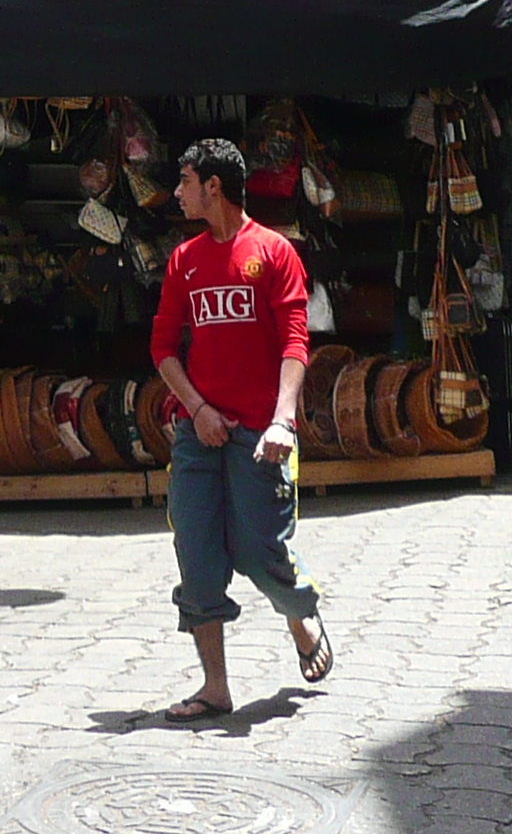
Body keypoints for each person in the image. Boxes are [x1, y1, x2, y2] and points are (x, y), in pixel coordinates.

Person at [150, 136, 331, 721]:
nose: (177, 193)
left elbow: (296, 344)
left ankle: (301, 619)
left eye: (185, 182)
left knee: (261, 553)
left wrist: (283, 420)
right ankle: (215, 688)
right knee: (196, 556)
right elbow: (162, 348)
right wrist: (197, 411)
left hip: (261, 435)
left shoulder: (275, 253)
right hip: (197, 435)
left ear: (214, 187)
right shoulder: (185, 259)